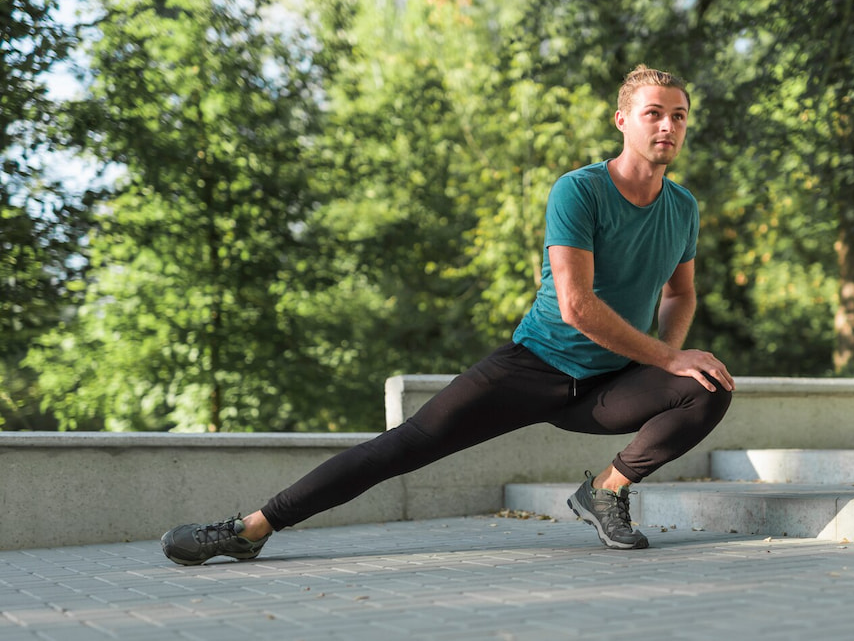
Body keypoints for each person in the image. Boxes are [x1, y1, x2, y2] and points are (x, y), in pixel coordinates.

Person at [160, 64, 735, 565]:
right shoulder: (578, 191)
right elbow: (577, 306)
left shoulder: (682, 207)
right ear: (622, 121)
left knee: (709, 384)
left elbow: (679, 294)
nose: (667, 126)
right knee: (402, 447)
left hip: (611, 382)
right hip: (535, 365)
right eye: (654, 113)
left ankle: (605, 491)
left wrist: (673, 360)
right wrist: (666, 355)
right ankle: (249, 530)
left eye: (679, 116)